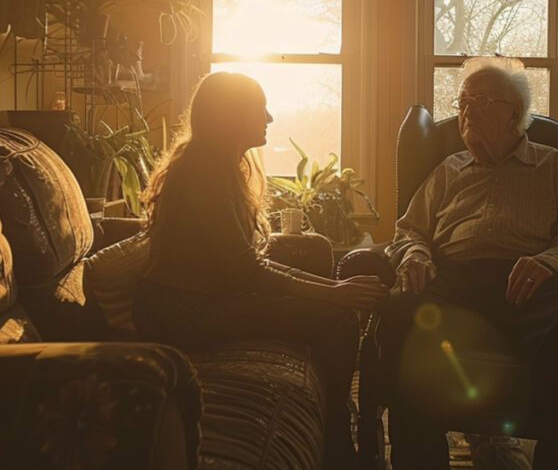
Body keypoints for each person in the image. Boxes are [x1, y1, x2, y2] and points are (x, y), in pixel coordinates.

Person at [132, 71, 389, 467]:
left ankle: (339, 428)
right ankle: (337, 443)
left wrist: (333, 285)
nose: (269, 118)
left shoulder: (221, 165)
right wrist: (332, 293)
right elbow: (248, 273)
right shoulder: (203, 173)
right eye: (260, 109)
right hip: (180, 310)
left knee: (335, 310)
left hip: (204, 298)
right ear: (231, 116)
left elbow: (249, 262)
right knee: (336, 321)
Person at [377, 57, 558, 470]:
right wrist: (415, 254)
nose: (466, 110)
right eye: (463, 99)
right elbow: (409, 229)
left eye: (482, 100)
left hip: (532, 283)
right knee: (400, 309)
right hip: (452, 282)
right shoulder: (448, 169)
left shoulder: (554, 166)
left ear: (515, 114)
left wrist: (549, 262)